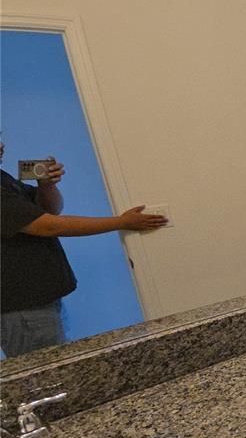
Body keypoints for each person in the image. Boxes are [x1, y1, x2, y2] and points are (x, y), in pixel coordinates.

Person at [1, 141, 168, 358]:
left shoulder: (3, 179)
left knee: (56, 366)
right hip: (22, 309)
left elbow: (50, 210)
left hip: (38, 302)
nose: (2, 145)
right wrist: (121, 222)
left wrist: (46, 185)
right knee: (46, 376)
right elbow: (48, 226)